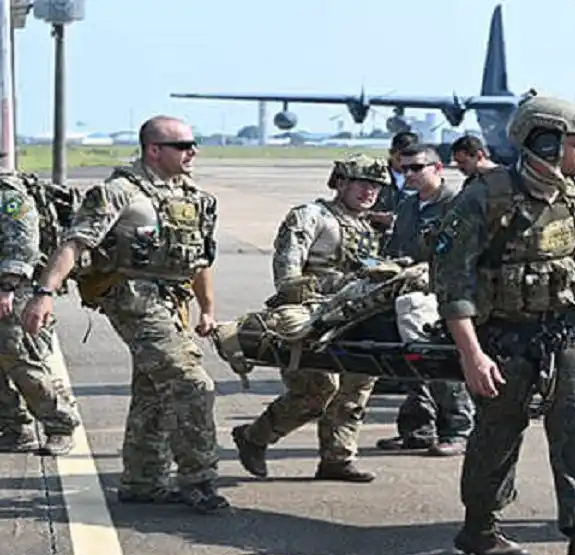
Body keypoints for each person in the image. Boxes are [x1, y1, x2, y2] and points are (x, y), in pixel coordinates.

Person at [433, 93, 575, 555]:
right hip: (502, 334)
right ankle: (479, 527)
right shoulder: (484, 196)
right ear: (545, 142)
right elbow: (453, 284)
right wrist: (472, 355)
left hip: (567, 329)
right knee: (498, 430)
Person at [22, 115, 227, 513]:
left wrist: (207, 309)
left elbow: (200, 259)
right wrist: (44, 293)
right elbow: (75, 244)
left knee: (154, 389)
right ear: (154, 150)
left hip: (173, 301)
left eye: (192, 145)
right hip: (134, 298)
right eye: (183, 146)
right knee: (191, 383)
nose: (193, 152)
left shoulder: (192, 196)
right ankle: (198, 480)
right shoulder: (119, 192)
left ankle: (143, 481)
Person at [230, 154, 392, 483]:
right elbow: (287, 277)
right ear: (341, 182)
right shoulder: (311, 217)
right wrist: (334, 290)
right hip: (311, 317)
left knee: (357, 387)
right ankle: (254, 437)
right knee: (316, 390)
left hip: (355, 318)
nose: (370, 192)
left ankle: (337, 457)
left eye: (376, 186)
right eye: (363, 183)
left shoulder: (368, 226)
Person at [374, 143, 474, 456]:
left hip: (442, 295)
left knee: (441, 362)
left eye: (417, 168)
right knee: (408, 363)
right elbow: (397, 248)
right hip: (405, 293)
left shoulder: (457, 204)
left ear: (437, 168)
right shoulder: (407, 206)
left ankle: (457, 430)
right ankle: (418, 429)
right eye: (404, 169)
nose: (410, 175)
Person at [0, 171, 82, 456]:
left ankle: (60, 425)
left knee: (22, 361)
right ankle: (14, 428)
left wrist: (7, 286)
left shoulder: (9, 194)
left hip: (14, 289)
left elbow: (23, 243)